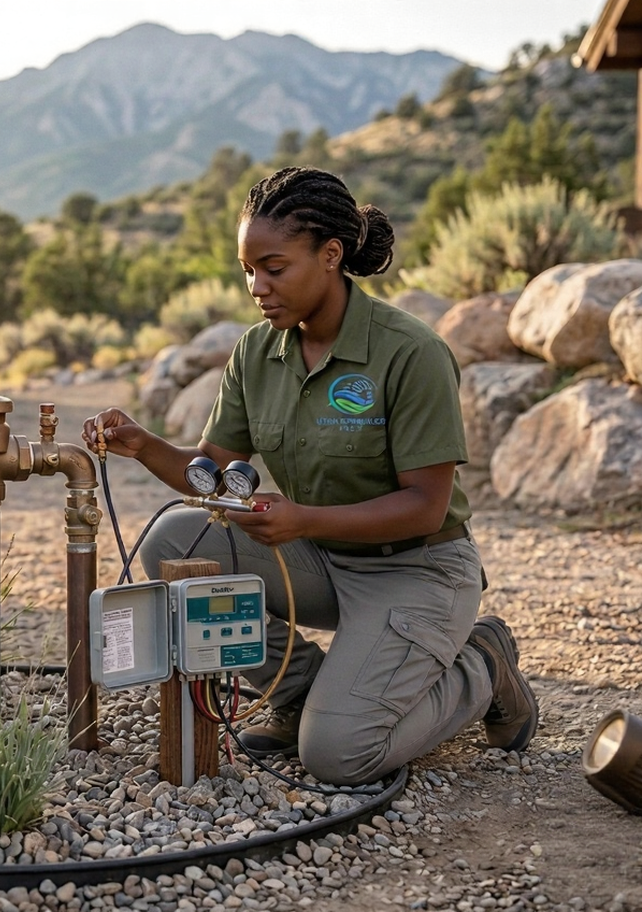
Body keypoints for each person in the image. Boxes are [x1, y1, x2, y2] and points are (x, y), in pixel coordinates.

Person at [81, 166, 538, 786]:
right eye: (247, 270)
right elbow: (209, 473)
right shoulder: (257, 352)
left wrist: (301, 519)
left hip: (416, 570)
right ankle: (299, 693)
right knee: (173, 540)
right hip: (322, 560)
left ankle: (481, 666)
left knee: (338, 755)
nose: (257, 286)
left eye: (274, 267)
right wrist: (142, 445)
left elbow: (426, 507)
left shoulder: (410, 352)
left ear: (330, 255)